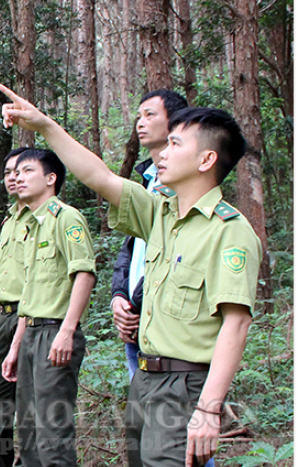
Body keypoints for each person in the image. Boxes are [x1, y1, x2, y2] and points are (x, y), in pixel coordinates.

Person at [0, 84, 261, 467]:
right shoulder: (159, 214)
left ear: (206, 160)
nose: (164, 153)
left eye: (175, 144)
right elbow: (99, 176)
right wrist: (44, 126)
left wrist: (208, 409)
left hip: (186, 385)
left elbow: (235, 326)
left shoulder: (229, 231)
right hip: (145, 377)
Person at [1, 148, 96, 466]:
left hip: (55, 333)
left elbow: (84, 272)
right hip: (31, 334)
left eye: (28, 171)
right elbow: (30, 295)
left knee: (53, 432)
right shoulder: (33, 225)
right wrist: (16, 346)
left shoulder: (66, 218)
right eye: (16, 173)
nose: (18, 177)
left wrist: (67, 330)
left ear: (51, 178)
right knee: (27, 430)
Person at [112, 90, 188, 380]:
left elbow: (173, 256)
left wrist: (137, 301)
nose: (140, 123)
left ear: (175, 121)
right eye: (138, 116)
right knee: (142, 420)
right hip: (135, 323)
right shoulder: (147, 180)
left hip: (167, 327)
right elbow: (131, 250)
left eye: (150, 115)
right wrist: (120, 297)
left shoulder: (186, 184)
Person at [0, 147, 32, 467]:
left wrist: (19, 338)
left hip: (33, 317)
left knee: (32, 405)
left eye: (21, 170)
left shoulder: (46, 220)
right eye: (7, 172)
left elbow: (39, 283)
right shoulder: (9, 219)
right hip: (4, 318)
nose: (12, 177)